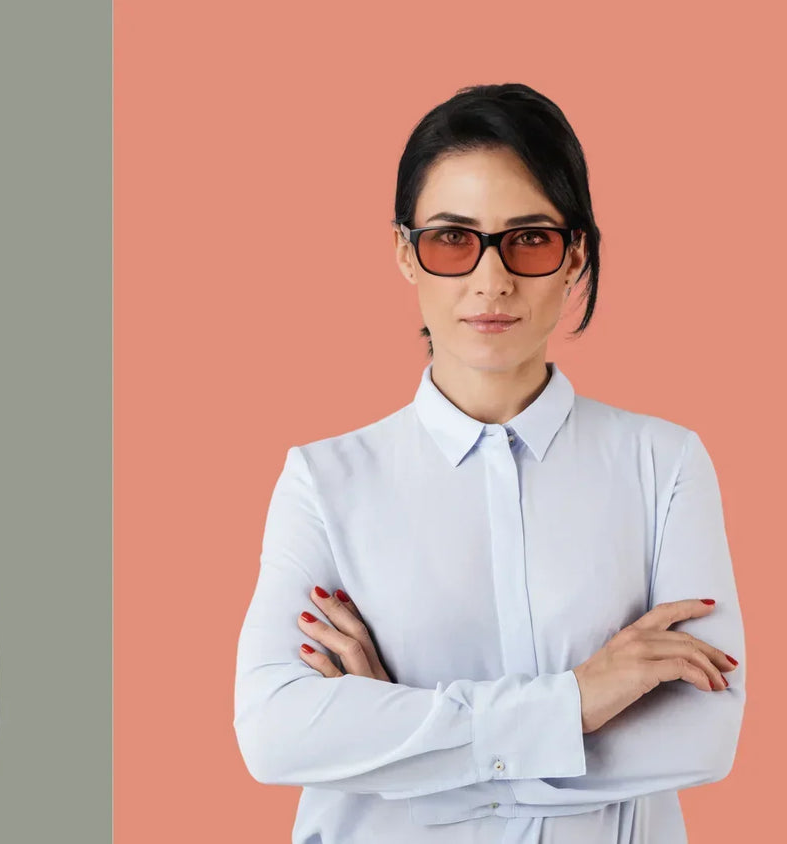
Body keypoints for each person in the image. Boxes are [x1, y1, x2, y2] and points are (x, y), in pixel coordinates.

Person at [233, 83, 744, 843]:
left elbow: (700, 738)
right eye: (452, 239)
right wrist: (578, 700)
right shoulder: (325, 480)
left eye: (529, 238)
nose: (491, 279)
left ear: (575, 255)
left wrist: (399, 745)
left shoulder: (664, 464)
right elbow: (274, 734)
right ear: (407, 254)